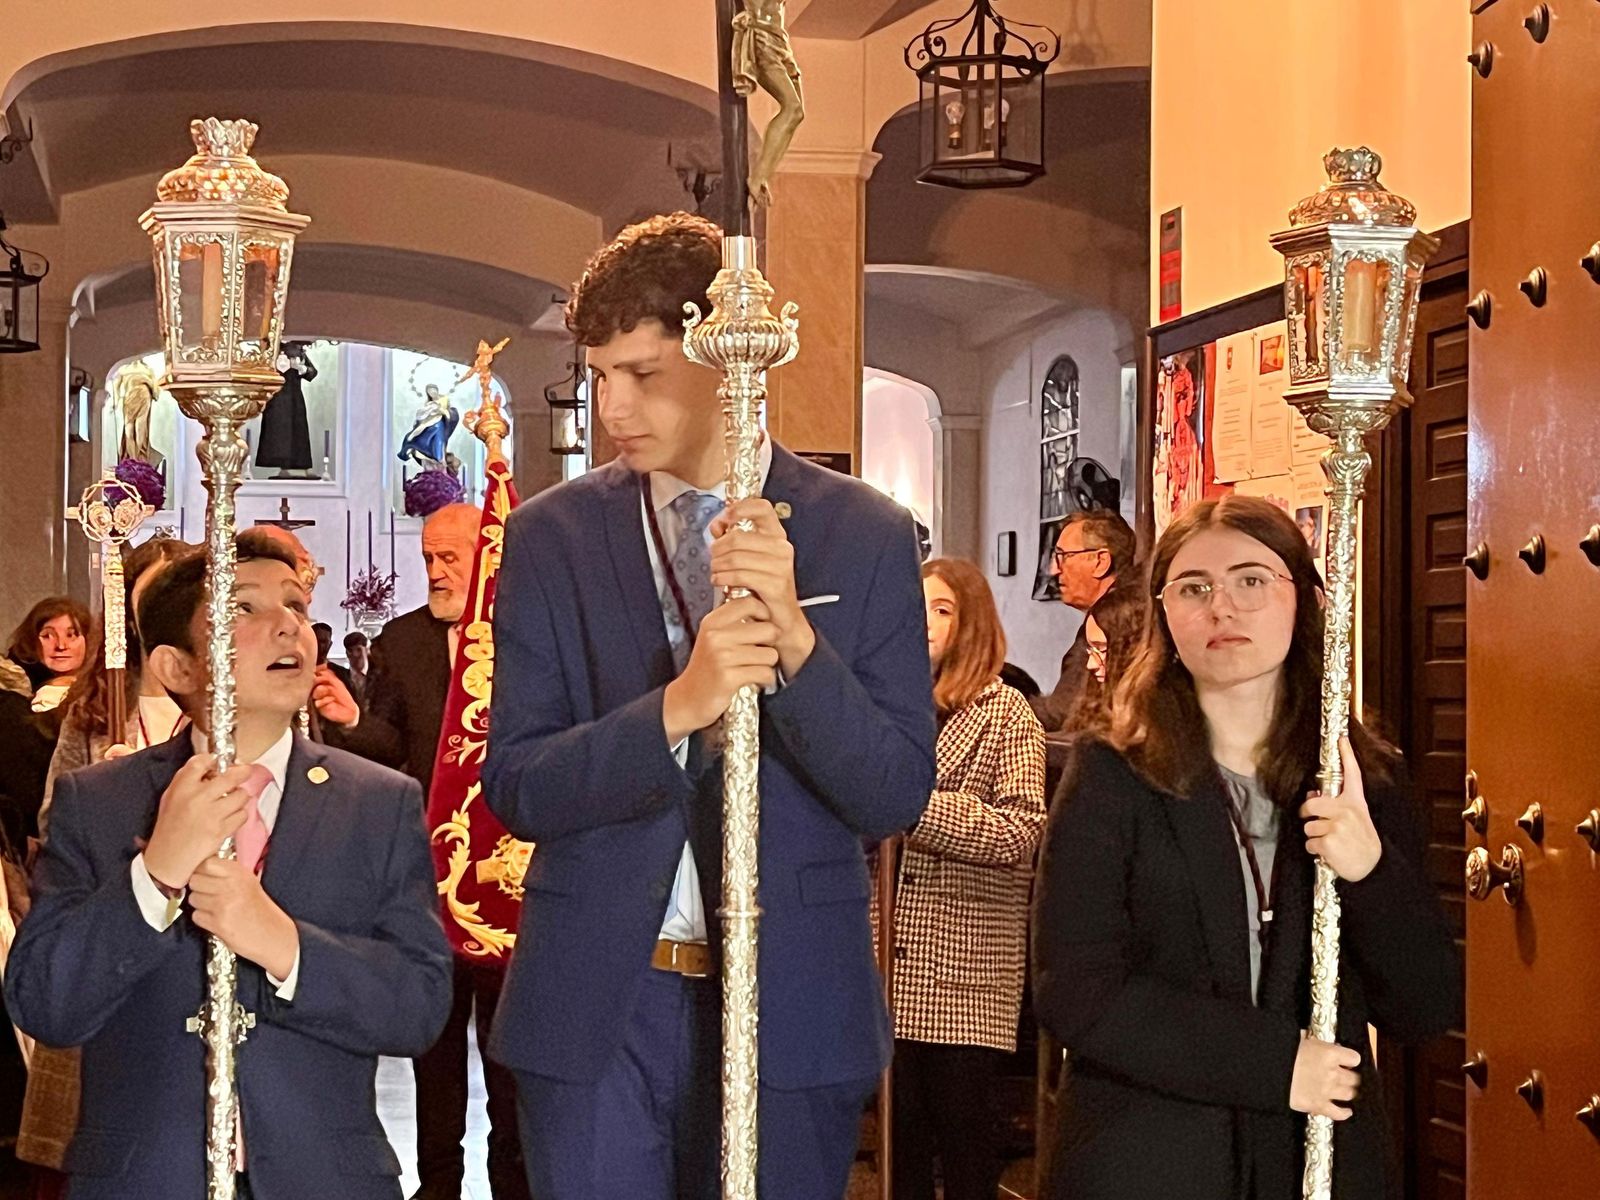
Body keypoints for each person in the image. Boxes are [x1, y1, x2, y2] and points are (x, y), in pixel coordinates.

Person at [483, 211, 936, 1199]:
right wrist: (677, 708)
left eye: (641, 374)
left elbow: (894, 791)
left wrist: (798, 648)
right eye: (598, 375)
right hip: (600, 996)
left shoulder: (863, 535)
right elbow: (517, 782)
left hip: (793, 996)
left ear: (725, 359)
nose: (612, 405)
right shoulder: (550, 537)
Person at [1031, 496, 1460, 1199]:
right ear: (1164, 612)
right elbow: (1076, 989)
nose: (1222, 607)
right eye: (1194, 588)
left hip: (1314, 1165)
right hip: (1147, 1162)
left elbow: (1423, 1004)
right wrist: (1276, 1065)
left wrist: (1370, 872)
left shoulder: (1360, 777)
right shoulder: (1115, 773)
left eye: (1252, 580)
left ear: (1303, 600)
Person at [4, 531, 453, 1200]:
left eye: (297, 605)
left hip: (323, 1178)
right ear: (176, 667)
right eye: (243, 608)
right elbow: (48, 1001)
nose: (287, 627)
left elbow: (417, 1008)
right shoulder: (101, 802)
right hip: (145, 1178)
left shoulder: (377, 803)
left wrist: (284, 945)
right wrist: (153, 876)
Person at [333, 500, 530, 1200]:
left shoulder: (526, 633)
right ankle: (439, 1182)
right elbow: (389, 747)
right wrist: (352, 720)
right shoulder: (405, 640)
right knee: (434, 1042)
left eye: (451, 557)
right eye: (428, 559)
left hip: (511, 877)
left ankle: (514, 1180)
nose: (437, 571)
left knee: (508, 1047)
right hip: (429, 875)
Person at [889, 557, 1044, 1200]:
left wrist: (908, 804)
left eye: (942, 609)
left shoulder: (1005, 712)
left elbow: (1020, 828)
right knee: (900, 1147)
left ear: (971, 623)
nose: (924, 621)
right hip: (890, 963)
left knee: (965, 1148)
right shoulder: (889, 706)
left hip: (966, 972)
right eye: (916, 605)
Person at [1030, 510, 1136, 737]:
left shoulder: (1115, 618)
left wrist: (1000, 711)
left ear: (1100, 561)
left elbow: (1062, 712)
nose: (1054, 569)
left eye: (1063, 556)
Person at [5, 598, 92, 715]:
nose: (61, 646)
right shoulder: (14, 701)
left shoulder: (106, 692)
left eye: (71, 635)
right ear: (31, 642)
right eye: (47, 636)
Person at [343, 631, 370, 703]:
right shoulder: (341, 679)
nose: (355, 655)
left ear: (367, 651)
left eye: (359, 650)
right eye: (350, 651)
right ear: (346, 653)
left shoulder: (378, 678)